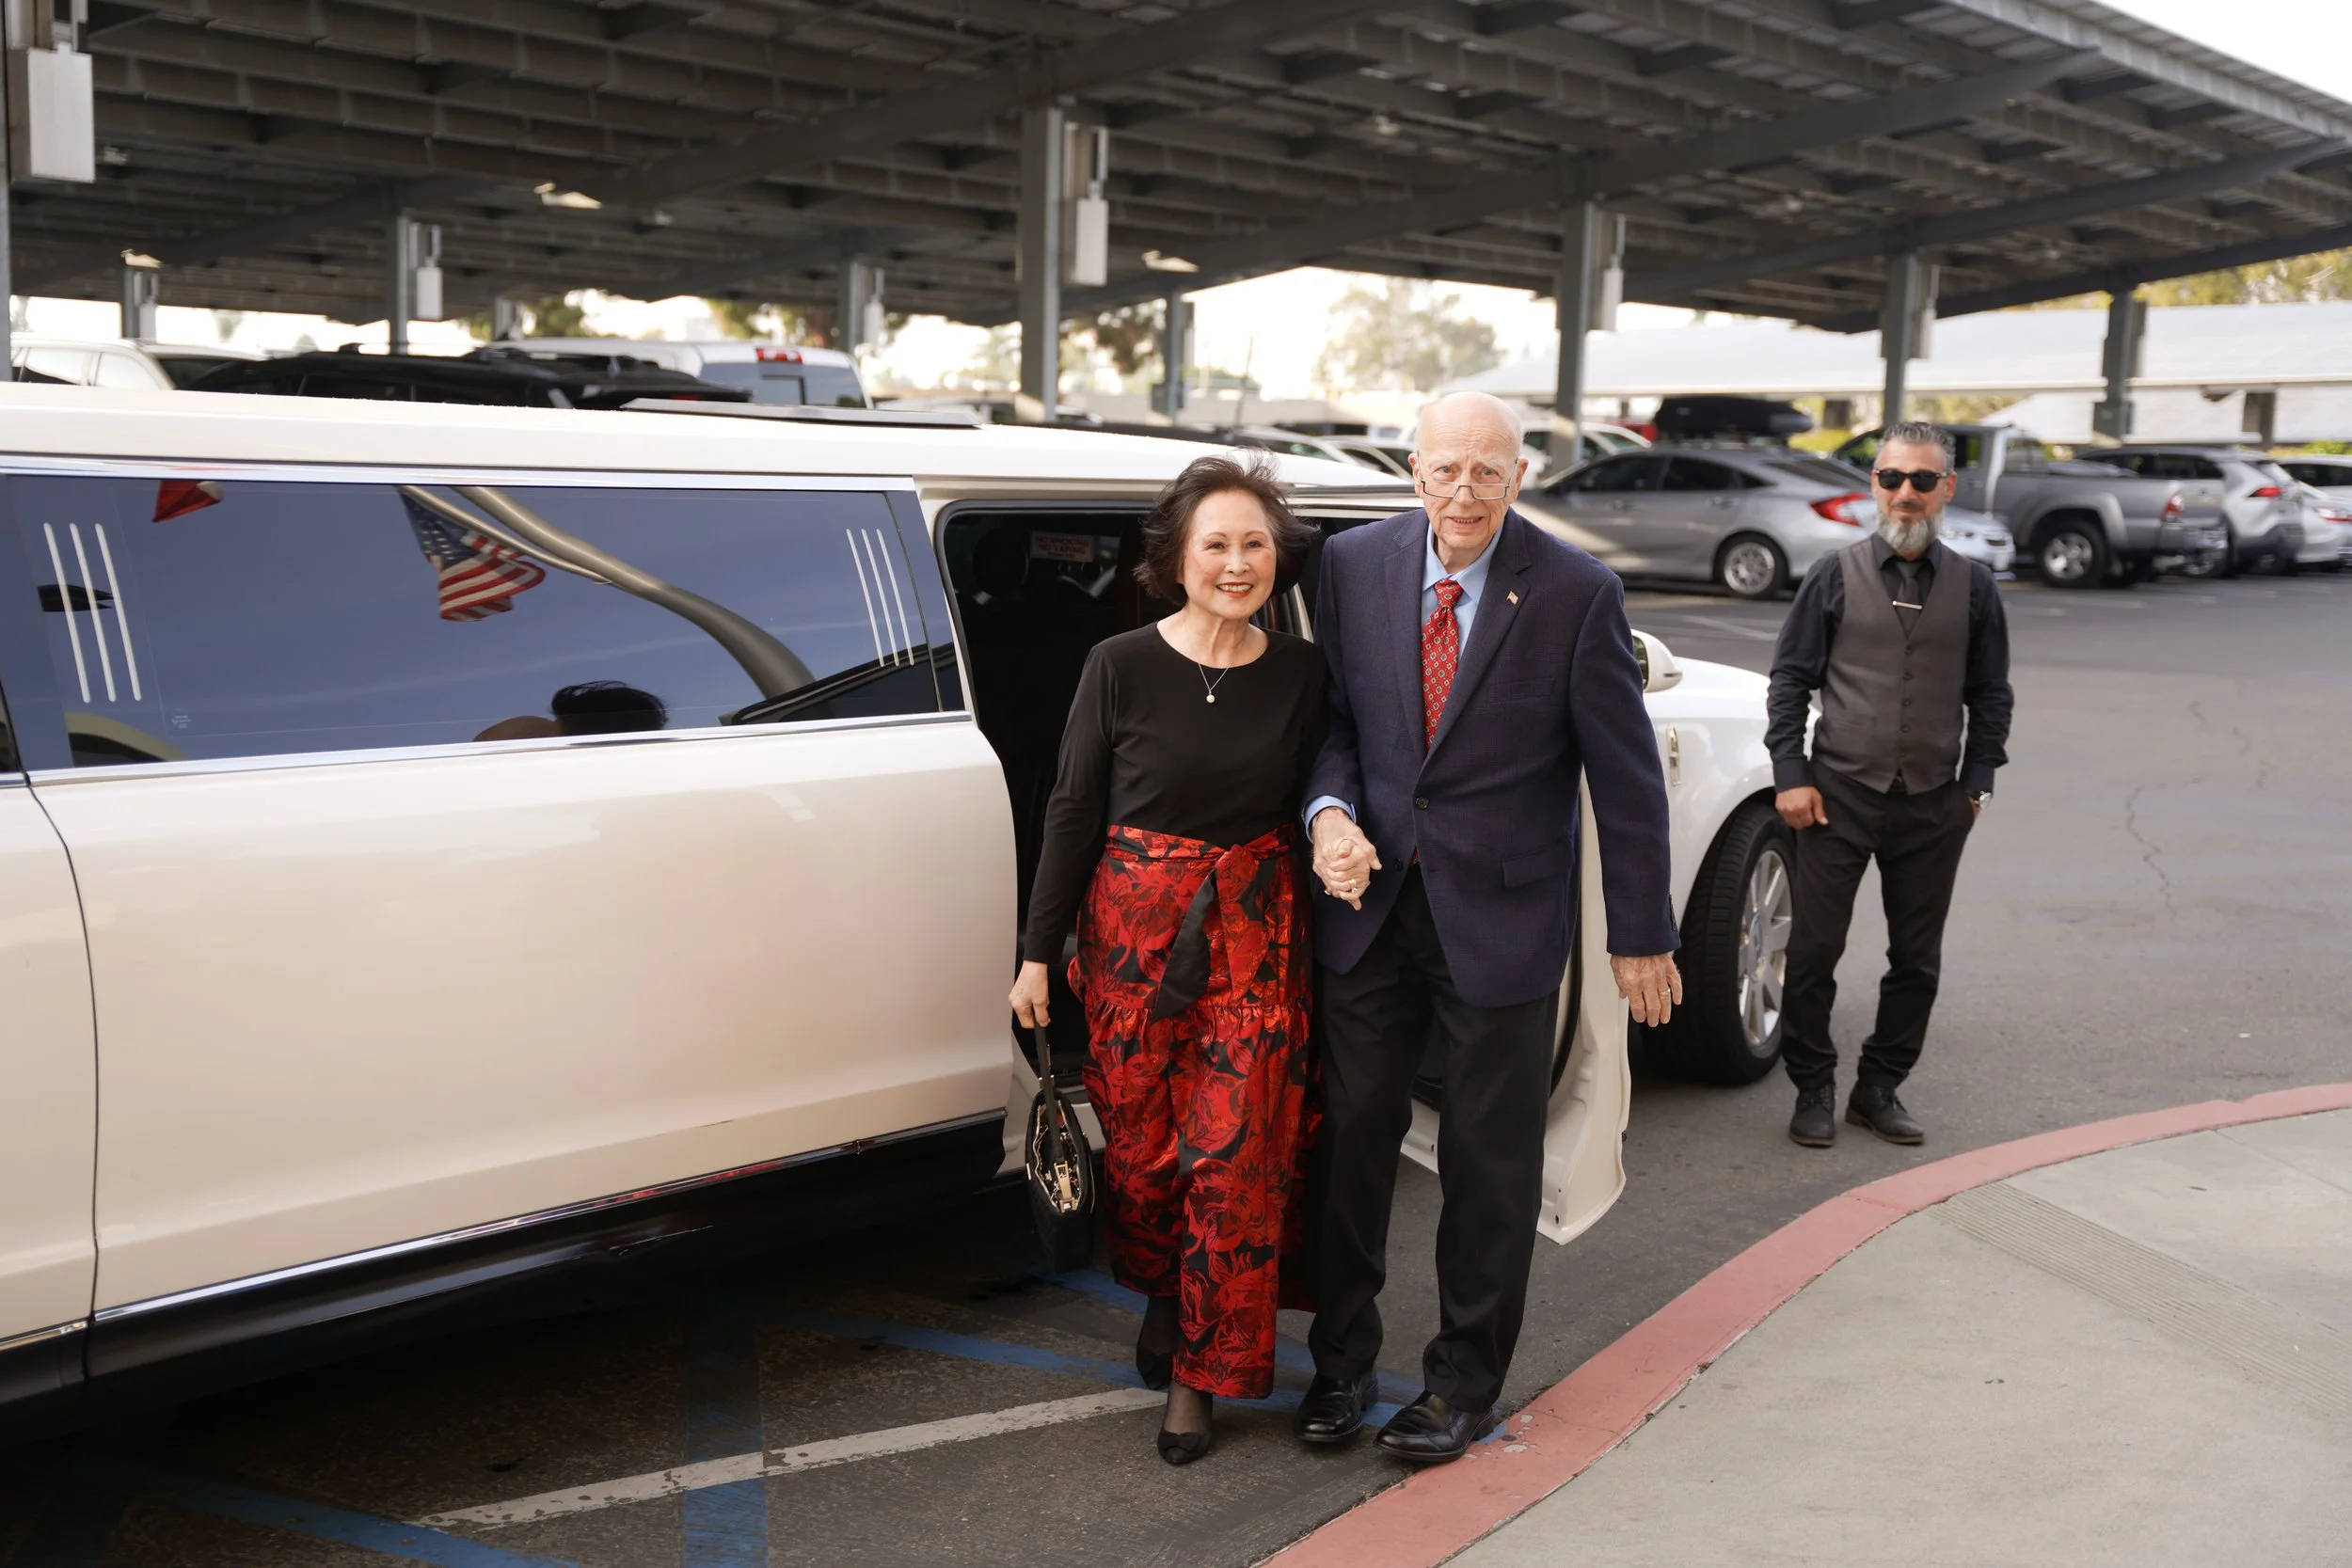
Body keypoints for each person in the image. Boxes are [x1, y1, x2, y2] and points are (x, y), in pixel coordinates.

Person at [1295, 391, 1680, 1465]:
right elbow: (1333, 724)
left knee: (1486, 1158)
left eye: (1486, 472)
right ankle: (1337, 1363)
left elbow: (1625, 776)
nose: (1462, 491)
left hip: (1502, 919)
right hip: (1366, 912)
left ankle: (1460, 1386)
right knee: (1353, 1138)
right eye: (1443, 468)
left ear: (1520, 478)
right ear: (1411, 469)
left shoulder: (1574, 590)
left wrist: (1640, 932)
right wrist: (1326, 814)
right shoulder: (1354, 565)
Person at [1008, 452, 1326, 1466]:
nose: (1237, 563)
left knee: (1233, 1164)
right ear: (1175, 560)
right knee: (1143, 1164)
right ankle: (1162, 1294)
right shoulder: (1120, 663)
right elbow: (1070, 809)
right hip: (1132, 947)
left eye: (1255, 544)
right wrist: (1034, 950)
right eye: (1216, 544)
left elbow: (1331, 783)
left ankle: (1201, 1374)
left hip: (1256, 943)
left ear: (1277, 558)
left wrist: (1341, 831)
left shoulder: (1303, 673)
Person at [1765, 419, 2012, 1150]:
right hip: (1837, 794)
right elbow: (1790, 681)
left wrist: (1975, 786)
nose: (1906, 494)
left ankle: (1880, 1088)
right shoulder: (1831, 575)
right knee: (1811, 953)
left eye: (1922, 480)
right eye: (1891, 478)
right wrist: (1790, 774)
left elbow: (1991, 693)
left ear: (1947, 489)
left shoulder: (1975, 587)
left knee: (1916, 961)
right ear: (1874, 484)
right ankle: (1813, 1085)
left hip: (1934, 802)